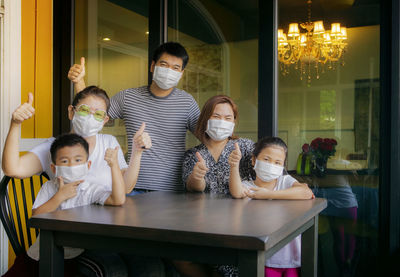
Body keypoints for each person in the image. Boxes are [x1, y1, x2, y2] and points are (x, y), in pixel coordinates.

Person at [68, 42, 200, 192]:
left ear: (181, 73)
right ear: (152, 66)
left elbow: (208, 138)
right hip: (132, 188)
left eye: (175, 68)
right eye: (163, 64)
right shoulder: (128, 97)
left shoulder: (187, 102)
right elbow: (94, 113)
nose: (169, 71)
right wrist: (79, 82)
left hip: (173, 191)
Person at [2, 133, 126, 277]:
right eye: (65, 161)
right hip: (42, 254)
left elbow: (118, 200)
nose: (72, 165)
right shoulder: (50, 187)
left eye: (78, 160)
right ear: (54, 168)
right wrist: (59, 197)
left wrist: (114, 166)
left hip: (76, 257)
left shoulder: (90, 189)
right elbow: (36, 216)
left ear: (88, 165)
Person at [1, 86, 151, 193]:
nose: (91, 117)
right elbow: (12, 169)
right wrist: (15, 124)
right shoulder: (54, 147)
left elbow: (126, 188)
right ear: (71, 112)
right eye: (85, 110)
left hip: (104, 224)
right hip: (65, 227)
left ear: (104, 120)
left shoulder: (109, 143)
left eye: (98, 114)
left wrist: (137, 153)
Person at [178, 95, 254, 277]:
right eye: (216, 116)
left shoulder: (245, 147)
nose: (222, 122)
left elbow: (270, 175)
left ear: (234, 122)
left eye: (228, 118)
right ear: (205, 120)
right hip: (206, 226)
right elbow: (193, 186)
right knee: (178, 255)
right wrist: (197, 175)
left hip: (242, 225)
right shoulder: (193, 154)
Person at [229, 137, 314, 277]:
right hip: (266, 258)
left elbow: (306, 192)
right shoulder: (248, 186)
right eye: (266, 159)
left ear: (282, 166)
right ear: (254, 160)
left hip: (290, 258)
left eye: (277, 162)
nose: (271, 165)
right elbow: (237, 192)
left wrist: (268, 194)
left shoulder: (285, 182)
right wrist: (233, 165)